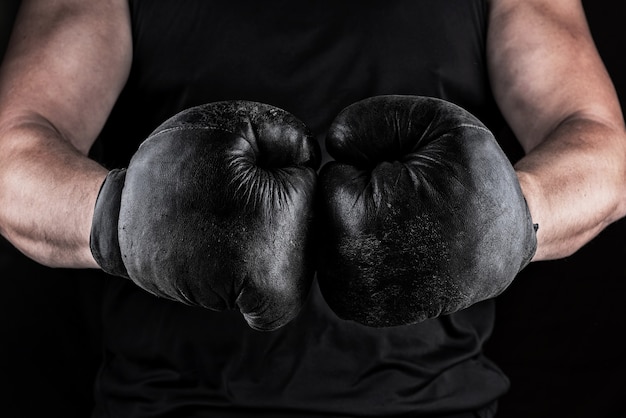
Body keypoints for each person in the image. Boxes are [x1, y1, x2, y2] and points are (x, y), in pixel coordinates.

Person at [1, 0, 625, 416]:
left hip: (433, 403)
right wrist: (123, 219)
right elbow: (11, 160)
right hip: (171, 402)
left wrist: (506, 218)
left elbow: (604, 154)